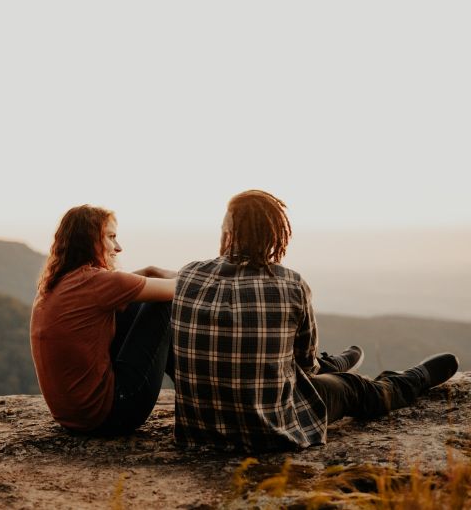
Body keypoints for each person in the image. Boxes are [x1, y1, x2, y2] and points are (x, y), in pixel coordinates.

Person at [172, 190, 459, 452]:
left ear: (227, 236)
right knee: (353, 387)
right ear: (274, 237)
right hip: (270, 431)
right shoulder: (290, 283)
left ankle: (334, 363)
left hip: (199, 432)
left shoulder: (187, 275)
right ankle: (411, 381)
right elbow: (306, 367)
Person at [30, 204, 177, 436]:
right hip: (112, 414)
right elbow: (179, 289)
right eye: (111, 237)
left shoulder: (59, 282)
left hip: (73, 418)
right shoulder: (98, 283)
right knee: (162, 306)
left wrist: (150, 270)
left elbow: (128, 284)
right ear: (89, 240)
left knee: (134, 303)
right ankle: (202, 398)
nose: (118, 248)